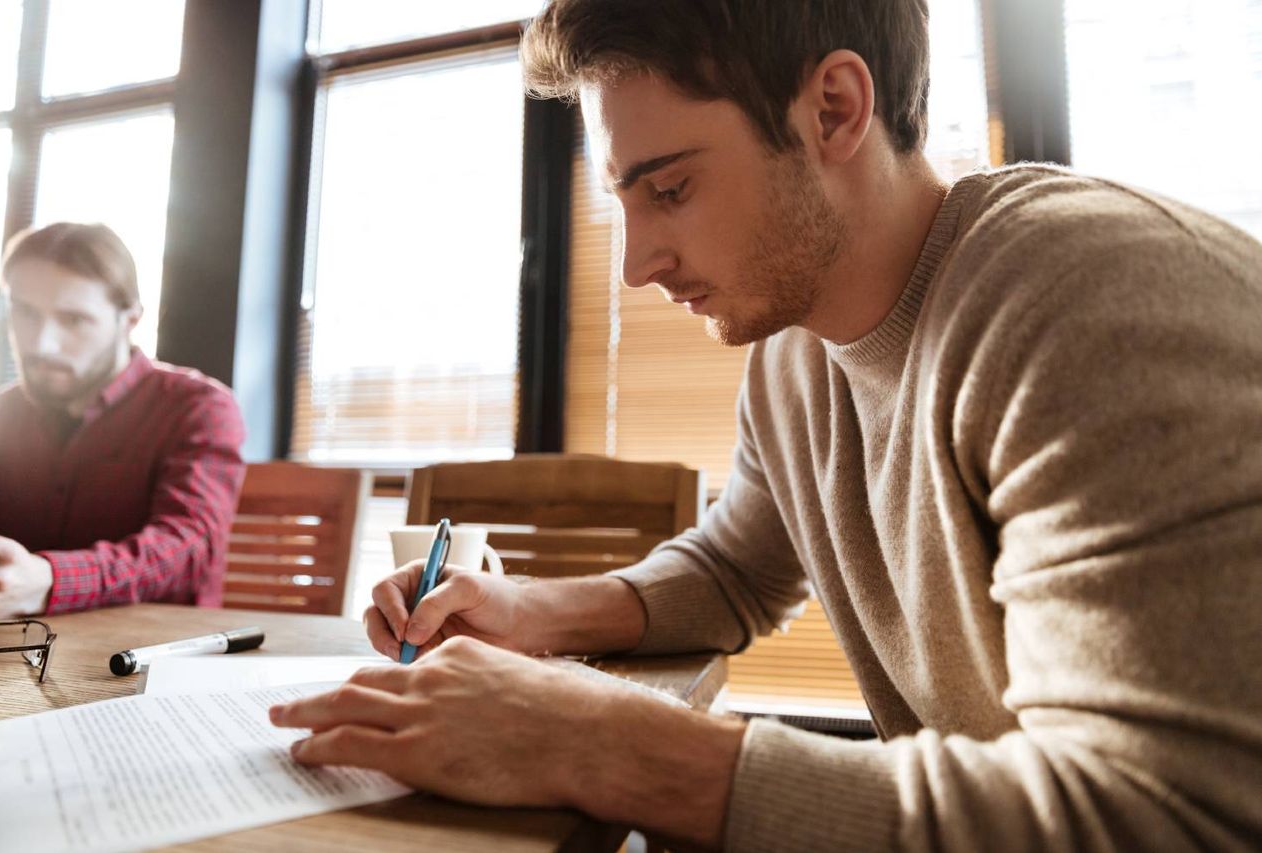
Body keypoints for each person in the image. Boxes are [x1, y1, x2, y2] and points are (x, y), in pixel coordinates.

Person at [270, 1, 1262, 849]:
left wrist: (598, 739)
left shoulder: (1088, 309)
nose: (636, 265)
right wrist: (537, 609)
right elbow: (735, 571)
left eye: (670, 189)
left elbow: (1155, 814)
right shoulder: (794, 353)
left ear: (834, 109)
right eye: (625, 201)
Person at [0, 222, 246, 618]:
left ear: (130, 320)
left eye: (74, 320)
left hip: (156, 648)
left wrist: (51, 581)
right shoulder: (3, 412)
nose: (42, 343)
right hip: (16, 649)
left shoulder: (199, 408)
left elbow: (185, 550)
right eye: (26, 313)